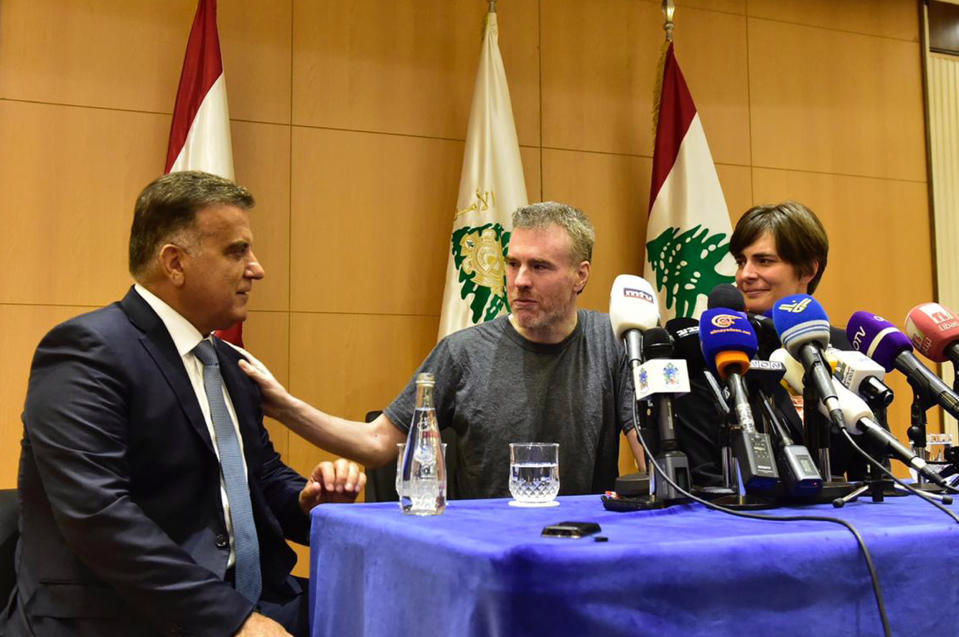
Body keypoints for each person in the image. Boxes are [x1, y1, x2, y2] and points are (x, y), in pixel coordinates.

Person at [1, 171, 364, 637]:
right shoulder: (87, 350)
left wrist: (307, 501)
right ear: (174, 263)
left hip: (248, 595)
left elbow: (259, 476)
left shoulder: (228, 362)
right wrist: (233, 620)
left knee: (397, 611)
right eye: (237, 251)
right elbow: (98, 514)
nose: (257, 268)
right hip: (124, 614)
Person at [241, 201, 645, 499]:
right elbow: (378, 442)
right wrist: (283, 407)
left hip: (587, 544)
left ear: (580, 275)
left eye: (539, 267)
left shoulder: (615, 339)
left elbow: (651, 456)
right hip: (484, 551)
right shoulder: (462, 352)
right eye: (512, 264)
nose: (519, 281)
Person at [674, 201, 863, 484]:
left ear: (808, 269)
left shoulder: (843, 346)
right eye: (741, 261)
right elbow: (703, 474)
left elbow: (867, 460)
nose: (744, 275)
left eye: (764, 261)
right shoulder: (714, 348)